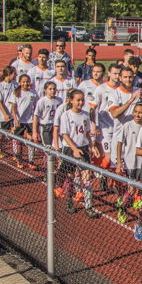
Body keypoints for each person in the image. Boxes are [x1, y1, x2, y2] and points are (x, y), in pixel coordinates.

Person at [56, 88, 98, 217]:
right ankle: (69, 200)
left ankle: (88, 206)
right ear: (71, 101)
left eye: (82, 100)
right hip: (70, 149)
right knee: (69, 176)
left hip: (83, 148)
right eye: (78, 100)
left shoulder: (85, 115)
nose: (80, 102)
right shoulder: (66, 115)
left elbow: (86, 133)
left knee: (87, 177)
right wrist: (74, 149)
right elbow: (65, 134)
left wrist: (92, 146)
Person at [9, 74, 38, 169]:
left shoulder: (33, 93)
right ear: (20, 83)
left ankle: (31, 161)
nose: (25, 84)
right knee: (19, 141)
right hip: (19, 120)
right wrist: (15, 119)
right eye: (23, 82)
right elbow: (13, 107)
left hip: (29, 120)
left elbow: (35, 106)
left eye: (27, 81)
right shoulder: (16, 93)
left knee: (30, 141)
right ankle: (19, 159)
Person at [0, 66, 18, 159]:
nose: (16, 75)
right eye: (14, 73)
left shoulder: (15, 84)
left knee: (14, 133)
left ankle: (15, 153)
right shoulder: (0, 86)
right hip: (4, 114)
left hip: (13, 114)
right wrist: (5, 114)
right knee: (2, 133)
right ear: (9, 74)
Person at [33, 80, 62, 148]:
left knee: (57, 146)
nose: (53, 91)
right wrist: (35, 131)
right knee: (48, 147)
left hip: (56, 125)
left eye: (54, 89)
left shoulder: (59, 100)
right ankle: (47, 158)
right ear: (45, 90)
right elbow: (36, 115)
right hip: (45, 126)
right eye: (50, 89)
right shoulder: (42, 101)